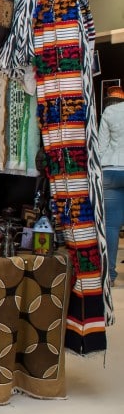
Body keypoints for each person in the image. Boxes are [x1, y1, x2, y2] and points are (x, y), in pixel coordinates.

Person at [97, 85, 124, 285]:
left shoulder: (109, 112)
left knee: (112, 227)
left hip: (111, 169)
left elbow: (100, 147)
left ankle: (110, 276)